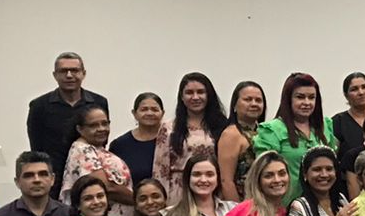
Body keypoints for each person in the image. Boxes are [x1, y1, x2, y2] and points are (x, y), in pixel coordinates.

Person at [27, 52, 107, 197]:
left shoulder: (99, 102)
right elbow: (36, 147)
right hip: (54, 181)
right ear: (55, 75)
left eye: (75, 70)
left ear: (83, 73)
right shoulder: (39, 106)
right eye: (63, 71)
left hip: (90, 177)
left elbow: (102, 141)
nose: (69, 75)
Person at [252, 72, 335, 205]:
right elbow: (264, 174)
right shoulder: (272, 130)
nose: (306, 103)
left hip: (321, 205)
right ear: (288, 99)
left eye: (311, 97)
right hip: (283, 205)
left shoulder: (325, 126)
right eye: (300, 97)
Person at [154, 73, 228, 205]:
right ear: (181, 97)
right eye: (189, 92)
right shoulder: (169, 128)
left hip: (213, 190)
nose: (195, 97)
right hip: (179, 193)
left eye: (200, 92)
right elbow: (160, 170)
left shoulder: (222, 126)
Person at [60, 105, 135, 216]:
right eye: (93, 125)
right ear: (80, 129)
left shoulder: (96, 149)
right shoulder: (83, 150)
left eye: (105, 124)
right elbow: (106, 188)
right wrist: (140, 200)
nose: (101, 129)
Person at [217, 81, 267, 202]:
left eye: (258, 100)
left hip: (265, 202)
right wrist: (238, 212)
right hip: (243, 203)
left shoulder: (265, 132)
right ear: (235, 105)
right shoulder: (231, 134)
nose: (254, 104)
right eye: (248, 99)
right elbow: (226, 181)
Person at [109, 92, 163, 187]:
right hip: (130, 200)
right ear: (134, 113)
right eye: (144, 109)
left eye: (155, 110)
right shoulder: (119, 145)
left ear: (162, 113)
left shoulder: (172, 140)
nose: (149, 113)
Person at [331, 72, 365, 186]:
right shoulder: (338, 122)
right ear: (346, 95)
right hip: (348, 185)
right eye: (354, 89)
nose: (361, 92)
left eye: (364, 87)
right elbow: (332, 158)